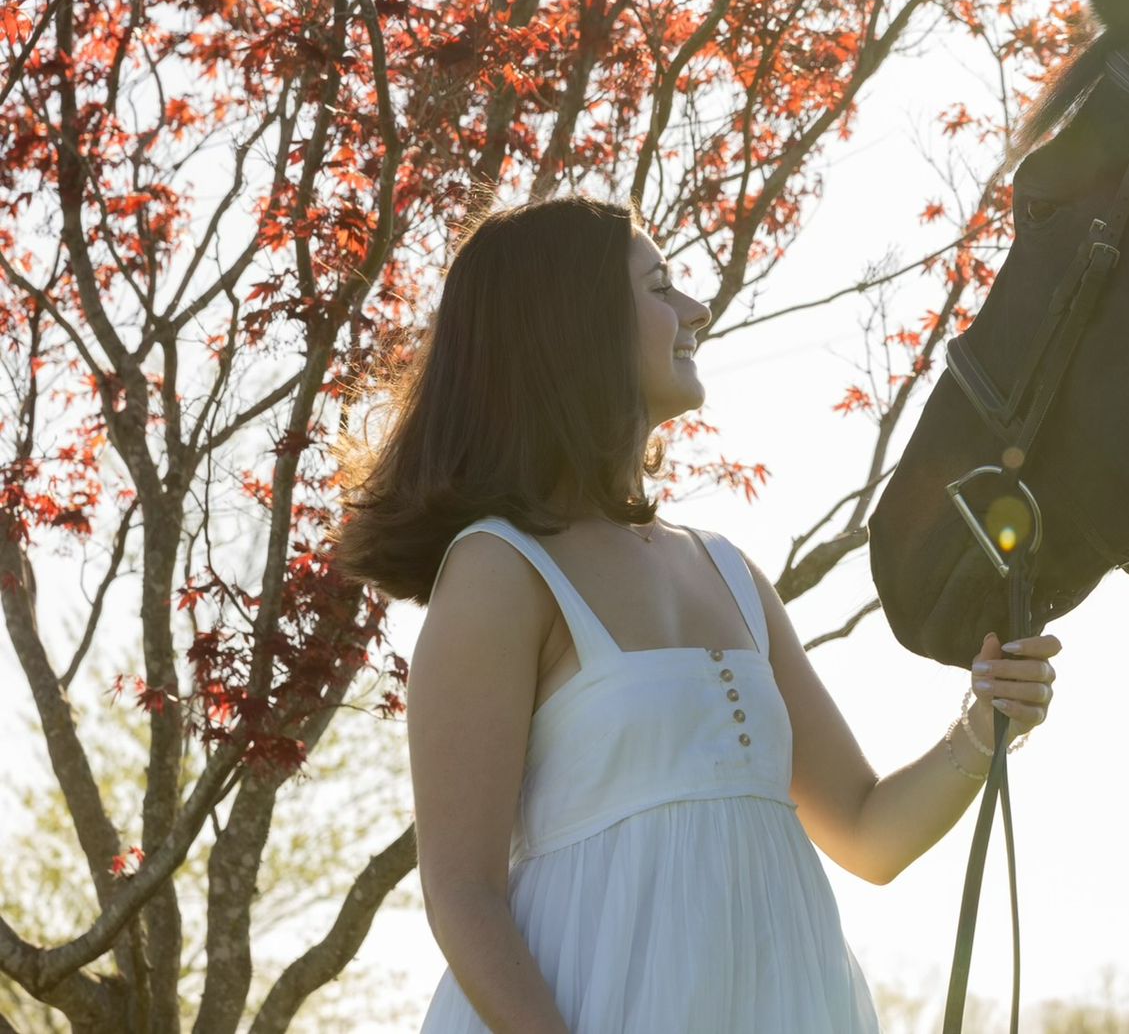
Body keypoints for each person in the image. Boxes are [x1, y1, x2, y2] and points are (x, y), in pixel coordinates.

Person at [329, 193, 1060, 1033]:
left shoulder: (729, 571)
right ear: (573, 325)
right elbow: (462, 894)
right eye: (661, 286)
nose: (696, 308)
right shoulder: (501, 569)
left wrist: (983, 723)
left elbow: (867, 832)